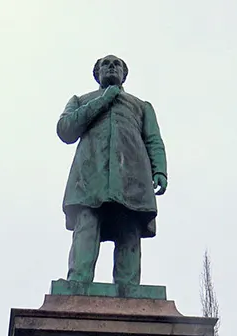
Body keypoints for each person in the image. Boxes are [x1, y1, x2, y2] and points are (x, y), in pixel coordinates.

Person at [56, 55, 168, 286]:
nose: (111, 67)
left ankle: (129, 290)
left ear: (124, 74)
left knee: (129, 229)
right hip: (89, 176)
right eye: (105, 64)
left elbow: (153, 139)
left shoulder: (141, 106)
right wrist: (104, 99)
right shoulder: (80, 100)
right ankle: (78, 281)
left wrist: (160, 170)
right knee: (86, 224)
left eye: (117, 64)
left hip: (132, 176)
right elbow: (66, 129)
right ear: (97, 74)